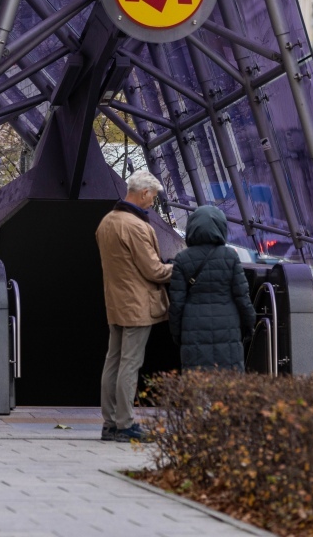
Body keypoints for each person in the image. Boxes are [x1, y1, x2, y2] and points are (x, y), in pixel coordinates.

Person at [95, 170, 173, 443]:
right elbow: (154, 270)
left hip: (115, 302)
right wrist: (180, 268)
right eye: (153, 197)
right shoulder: (136, 226)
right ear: (144, 193)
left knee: (113, 362)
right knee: (130, 364)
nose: (153, 202)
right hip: (138, 305)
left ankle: (110, 423)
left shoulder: (107, 221)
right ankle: (125, 424)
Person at [168, 205, 255, 371]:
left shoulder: (182, 259)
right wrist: (249, 324)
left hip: (193, 328)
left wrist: (177, 332)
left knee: (197, 378)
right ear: (220, 227)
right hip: (227, 326)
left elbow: (176, 303)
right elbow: (243, 297)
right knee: (229, 378)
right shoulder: (230, 256)